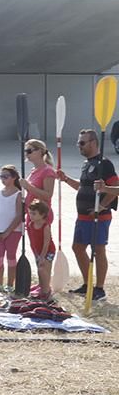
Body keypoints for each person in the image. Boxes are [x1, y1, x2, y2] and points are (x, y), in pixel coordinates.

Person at [57, 129, 119, 300]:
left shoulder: (104, 164)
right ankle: (87, 284)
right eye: (79, 142)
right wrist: (66, 179)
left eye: (82, 143)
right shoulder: (86, 163)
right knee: (77, 248)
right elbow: (83, 187)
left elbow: (115, 188)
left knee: (98, 250)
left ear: (93, 143)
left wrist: (101, 206)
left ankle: (99, 289)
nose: (79, 146)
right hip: (82, 216)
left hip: (99, 217)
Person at [19, 139, 56, 296]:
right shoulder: (33, 172)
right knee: (35, 246)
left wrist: (28, 187)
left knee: (44, 247)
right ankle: (43, 284)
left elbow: (48, 195)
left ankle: (46, 288)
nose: (26, 154)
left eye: (30, 150)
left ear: (40, 152)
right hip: (31, 216)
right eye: (26, 151)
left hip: (42, 216)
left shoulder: (48, 171)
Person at [0, 165, 25, 292]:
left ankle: (10, 284)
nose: (3, 179)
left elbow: (18, 215)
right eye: (1, 176)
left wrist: (8, 231)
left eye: (6, 176)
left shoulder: (18, 194)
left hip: (14, 231)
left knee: (11, 256)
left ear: (14, 177)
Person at [28, 200, 56, 299]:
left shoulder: (45, 226)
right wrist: (36, 254)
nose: (31, 215)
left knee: (44, 270)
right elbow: (32, 241)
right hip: (38, 251)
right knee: (39, 269)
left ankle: (47, 291)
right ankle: (42, 288)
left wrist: (42, 256)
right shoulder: (31, 225)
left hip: (48, 251)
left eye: (34, 213)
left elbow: (46, 243)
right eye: (30, 213)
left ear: (42, 214)